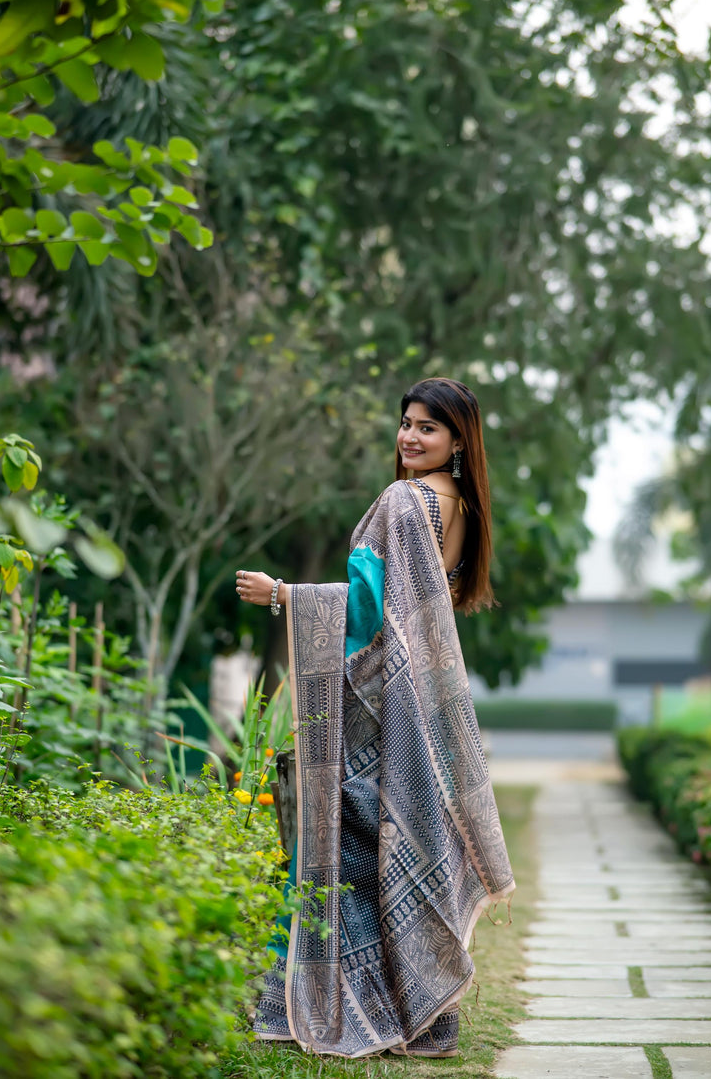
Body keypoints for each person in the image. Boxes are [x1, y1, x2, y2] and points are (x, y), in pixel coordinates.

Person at [236, 377, 515, 1059]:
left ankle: (348, 1004)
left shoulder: (404, 500)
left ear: (456, 443)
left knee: (351, 852)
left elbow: (368, 613)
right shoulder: (460, 509)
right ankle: (422, 1013)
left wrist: (283, 595)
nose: (410, 437)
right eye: (406, 423)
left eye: (428, 428)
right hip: (418, 702)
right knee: (400, 843)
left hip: (379, 704)